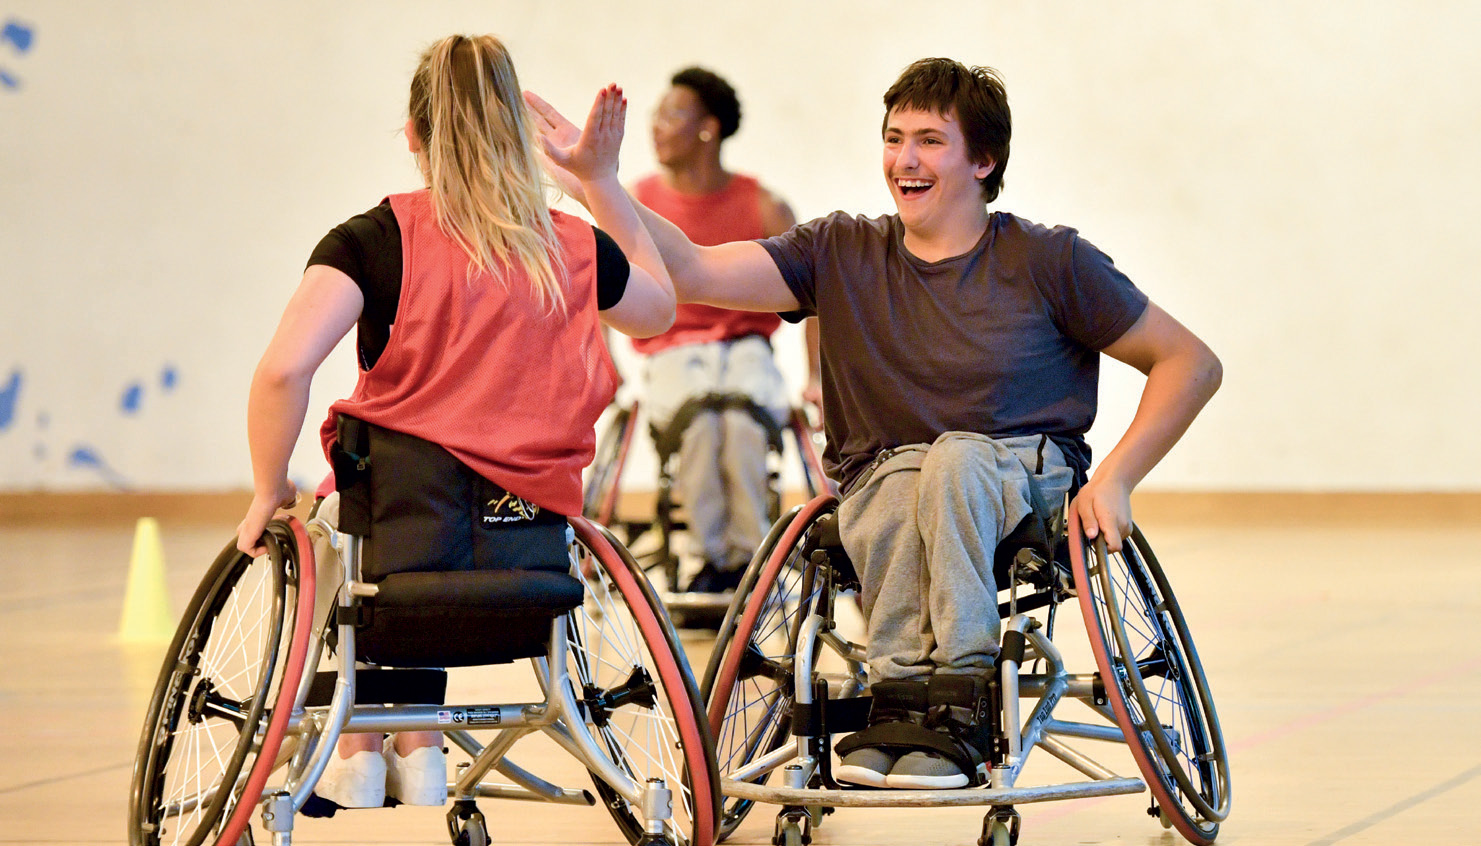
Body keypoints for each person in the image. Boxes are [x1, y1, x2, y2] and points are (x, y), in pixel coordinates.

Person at [527, 57, 1220, 790]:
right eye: (893, 138)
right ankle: (898, 700)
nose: (904, 160)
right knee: (895, 476)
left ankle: (960, 699)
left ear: (982, 160)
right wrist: (596, 182)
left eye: (928, 140)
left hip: (1023, 477)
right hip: (893, 480)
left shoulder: (1048, 259)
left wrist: (1115, 479)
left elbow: (1188, 363)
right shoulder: (840, 249)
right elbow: (693, 270)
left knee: (950, 460)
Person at [235, 35, 674, 809]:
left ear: (412, 133)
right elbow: (657, 310)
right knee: (395, 527)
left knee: (348, 533)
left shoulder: (374, 239)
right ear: (516, 132)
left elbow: (282, 370)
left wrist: (266, 488)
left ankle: (363, 749)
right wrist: (599, 184)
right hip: (530, 543)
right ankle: (414, 742)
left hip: (402, 534)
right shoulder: (571, 243)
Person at [629, 67, 798, 595]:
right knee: (700, 424)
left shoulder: (764, 205)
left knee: (744, 424)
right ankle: (710, 558)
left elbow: (813, 294)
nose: (656, 126)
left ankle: (752, 566)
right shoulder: (640, 203)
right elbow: (601, 279)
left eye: (672, 114)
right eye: (657, 114)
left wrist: (818, 377)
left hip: (747, 346)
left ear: (708, 128)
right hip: (674, 347)